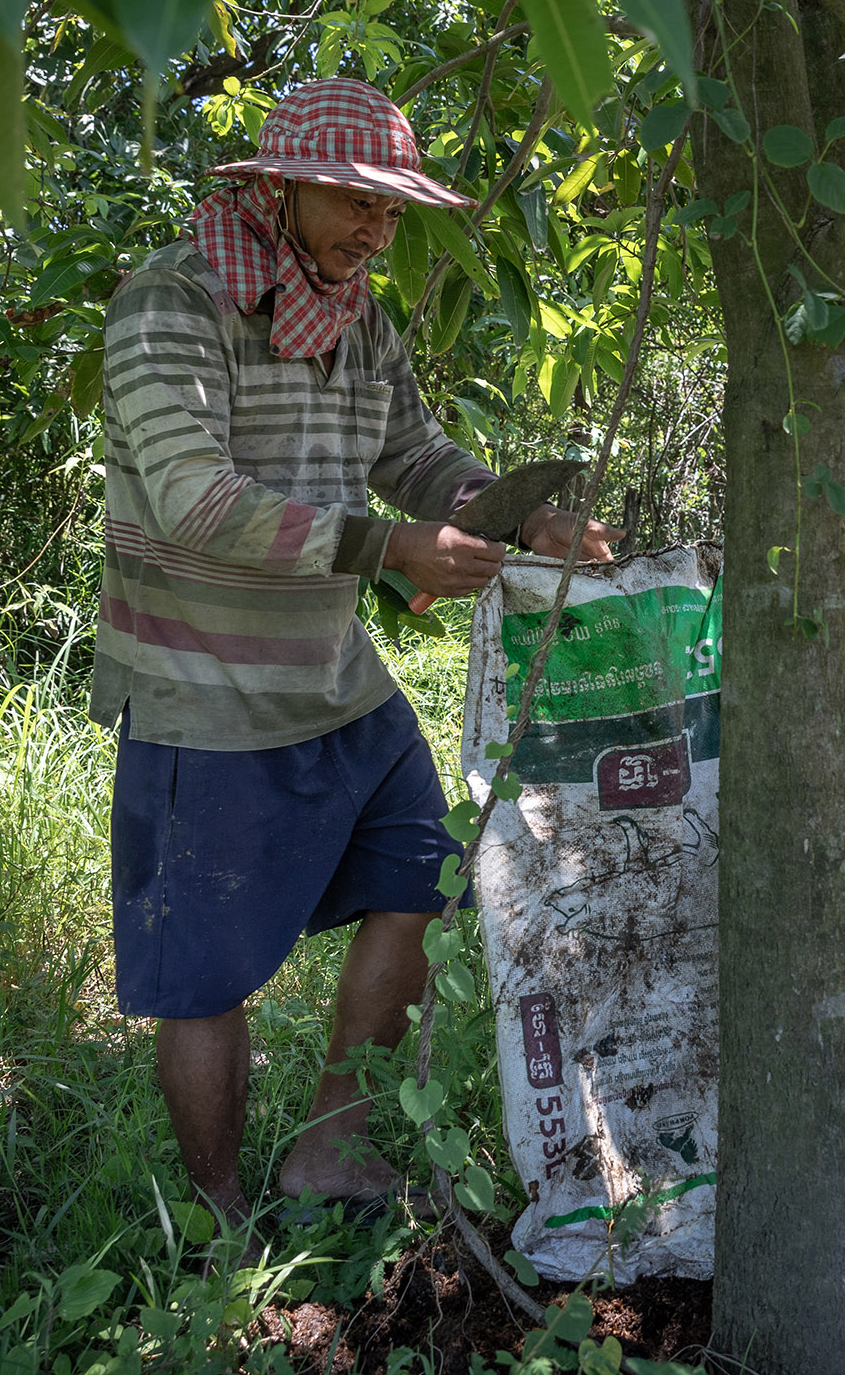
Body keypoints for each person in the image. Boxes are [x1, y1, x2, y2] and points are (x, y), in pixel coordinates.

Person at [92, 79, 618, 1241]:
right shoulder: (171, 307)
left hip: (334, 675)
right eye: (353, 202)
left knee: (418, 879)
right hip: (203, 691)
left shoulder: (356, 316)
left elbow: (413, 454)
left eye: (392, 210)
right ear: (273, 188)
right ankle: (218, 1217)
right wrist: (388, 547)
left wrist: (507, 515)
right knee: (207, 971)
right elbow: (190, 501)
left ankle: (330, 1145)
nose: (377, 229)